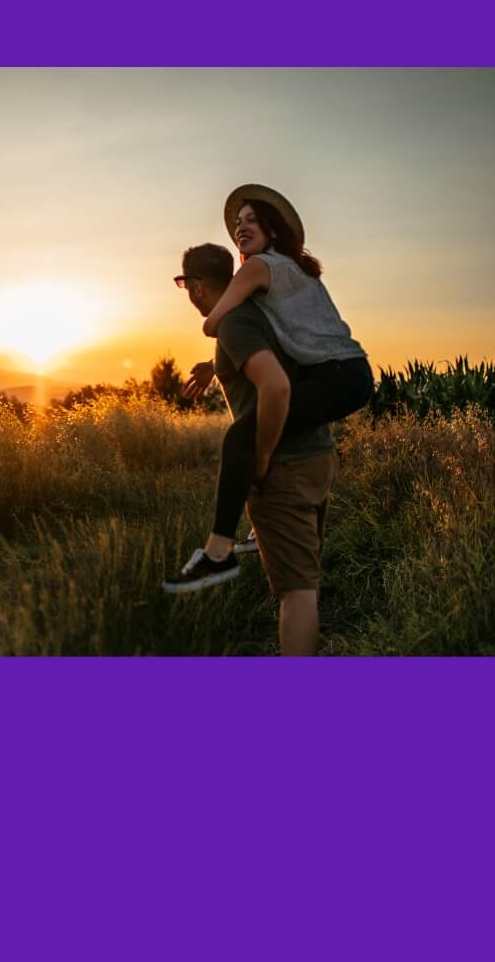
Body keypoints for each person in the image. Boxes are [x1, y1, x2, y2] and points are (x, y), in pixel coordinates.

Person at [178, 183, 373, 569]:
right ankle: (256, 531)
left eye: (252, 220)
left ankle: (218, 552)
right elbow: (265, 335)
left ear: (272, 230)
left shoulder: (256, 268)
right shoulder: (292, 270)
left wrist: (262, 455)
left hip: (337, 377)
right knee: (270, 420)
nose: (241, 227)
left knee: (243, 437)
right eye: (237, 222)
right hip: (348, 375)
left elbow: (218, 320)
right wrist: (213, 364)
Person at [162, 242, 337, 655]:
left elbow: (275, 385)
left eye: (185, 284)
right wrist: (216, 363)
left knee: (296, 594)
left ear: (197, 287)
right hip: (318, 454)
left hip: (284, 465)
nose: (187, 294)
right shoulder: (260, 309)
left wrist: (260, 457)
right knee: (306, 579)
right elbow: (269, 349)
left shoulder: (234, 323)